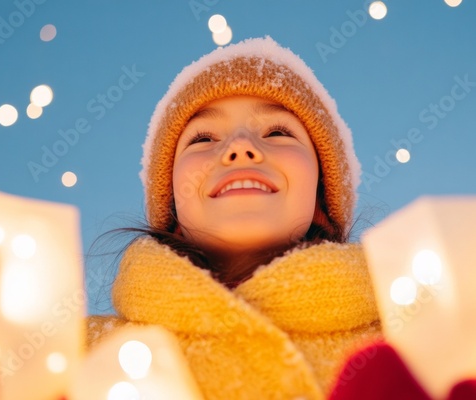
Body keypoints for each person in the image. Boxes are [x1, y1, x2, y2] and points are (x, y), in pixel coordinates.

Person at [86, 36, 382, 399]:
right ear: (174, 208)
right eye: (203, 138)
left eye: (277, 131)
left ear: (320, 198)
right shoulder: (75, 361)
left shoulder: (424, 344)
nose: (240, 146)